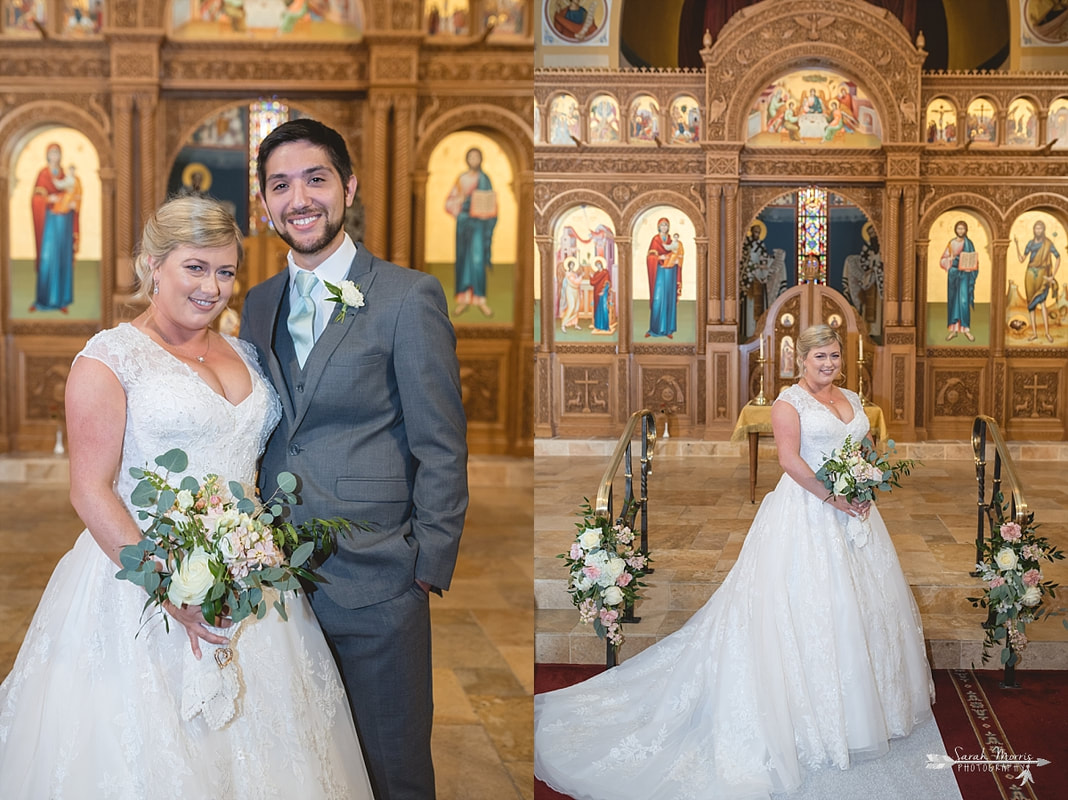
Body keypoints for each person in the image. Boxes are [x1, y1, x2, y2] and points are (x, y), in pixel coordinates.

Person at [0, 195, 374, 798]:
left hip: (253, 585)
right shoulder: (109, 359)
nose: (213, 287)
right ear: (152, 265)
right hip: (142, 585)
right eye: (194, 268)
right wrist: (169, 590)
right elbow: (89, 489)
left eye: (226, 271)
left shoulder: (246, 352)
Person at [535, 324, 934, 800]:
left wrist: (866, 483)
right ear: (801, 359)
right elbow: (790, 460)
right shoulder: (789, 404)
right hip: (809, 513)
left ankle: (862, 710)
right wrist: (835, 497)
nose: (828, 364)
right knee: (806, 608)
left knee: (862, 607)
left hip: (855, 515)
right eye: (819, 357)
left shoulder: (850, 396)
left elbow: (863, 448)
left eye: (833, 355)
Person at [240, 118, 468, 800]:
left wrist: (423, 568)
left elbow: (442, 444)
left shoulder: (406, 297)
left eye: (316, 179)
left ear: (348, 186)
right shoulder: (257, 304)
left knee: (393, 764)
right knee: (305, 761)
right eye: (280, 185)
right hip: (276, 585)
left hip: (379, 579)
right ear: (264, 204)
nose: (299, 199)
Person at [444, 146, 497, 317]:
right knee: (463, 258)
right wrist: (460, 203)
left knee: (477, 259)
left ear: (480, 159)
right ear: (467, 159)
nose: (474, 160)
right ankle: (463, 299)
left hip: (479, 224)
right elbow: (450, 202)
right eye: (471, 157)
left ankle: (480, 298)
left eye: (477, 157)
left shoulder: (485, 179)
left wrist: (487, 210)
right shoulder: (462, 179)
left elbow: (491, 201)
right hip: (464, 223)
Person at [30, 142, 81, 313]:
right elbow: (36, 198)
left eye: (57, 153)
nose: (54, 156)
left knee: (62, 258)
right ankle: (43, 300)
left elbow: (72, 192)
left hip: (64, 222)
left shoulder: (64, 174)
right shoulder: (43, 174)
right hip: (49, 222)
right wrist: (47, 200)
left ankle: (62, 300)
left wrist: (72, 203)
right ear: (47, 155)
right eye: (51, 153)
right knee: (48, 258)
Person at [1013, 219, 1061, 343]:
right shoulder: (1030, 243)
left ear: (1044, 230)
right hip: (1030, 274)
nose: (1038, 230)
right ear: (1034, 230)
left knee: (1043, 303)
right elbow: (1022, 259)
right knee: (1031, 305)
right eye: (1036, 228)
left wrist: (1053, 275)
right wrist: (1017, 245)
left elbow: (1058, 257)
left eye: (1040, 228)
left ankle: (1047, 333)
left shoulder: (1048, 243)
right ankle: (1034, 333)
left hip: (1043, 274)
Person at [939, 219, 979, 341]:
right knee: (953, 301)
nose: (960, 231)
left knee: (963, 301)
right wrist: (950, 260)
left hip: (965, 275)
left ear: (966, 230)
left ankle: (966, 329)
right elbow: (942, 260)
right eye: (958, 228)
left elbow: (974, 259)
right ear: (955, 230)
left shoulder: (969, 244)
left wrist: (971, 267)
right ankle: (953, 330)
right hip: (954, 275)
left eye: (962, 228)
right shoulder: (951, 244)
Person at [646, 218, 682, 338]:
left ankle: (668, 330)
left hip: (670, 272)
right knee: (658, 299)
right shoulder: (655, 240)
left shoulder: (673, 240)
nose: (664, 227)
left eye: (666, 225)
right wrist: (659, 258)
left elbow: (678, 253)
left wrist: (677, 260)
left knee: (669, 298)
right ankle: (654, 329)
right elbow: (650, 257)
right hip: (659, 272)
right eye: (662, 225)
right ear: (658, 227)